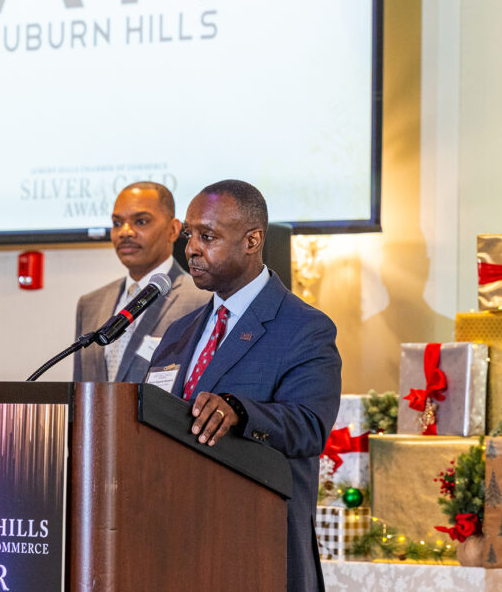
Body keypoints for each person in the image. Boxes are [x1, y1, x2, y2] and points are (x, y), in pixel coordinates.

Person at [148, 179, 341, 592]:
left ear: (252, 240)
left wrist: (239, 410)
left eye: (208, 236)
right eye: (189, 235)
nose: (191, 248)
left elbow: (310, 426)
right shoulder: (179, 333)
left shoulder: (304, 328)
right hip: (177, 547)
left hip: (257, 548)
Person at [74, 181, 208, 383]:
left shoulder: (202, 299)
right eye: (117, 223)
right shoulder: (90, 303)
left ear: (173, 229)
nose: (125, 231)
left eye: (141, 222)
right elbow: (79, 390)